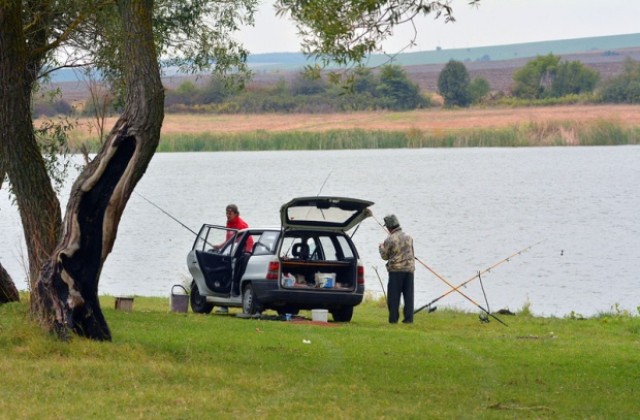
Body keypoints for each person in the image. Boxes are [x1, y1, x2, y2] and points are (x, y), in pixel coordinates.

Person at [378, 214, 415, 324]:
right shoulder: (409, 236)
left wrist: (381, 248)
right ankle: (409, 319)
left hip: (396, 271)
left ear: (389, 227)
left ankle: (393, 320)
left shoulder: (389, 239)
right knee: (408, 297)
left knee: (394, 298)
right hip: (409, 270)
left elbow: (385, 256)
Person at [217, 204, 251, 314]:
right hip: (230, 253)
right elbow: (229, 240)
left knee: (234, 277)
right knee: (224, 276)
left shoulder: (241, 225)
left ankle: (235, 299)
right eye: (226, 213)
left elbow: (248, 241)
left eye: (230, 213)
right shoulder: (229, 224)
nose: (227, 215)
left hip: (240, 254)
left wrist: (246, 253)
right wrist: (220, 247)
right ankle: (223, 305)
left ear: (236, 214)